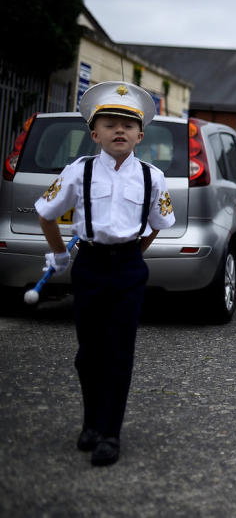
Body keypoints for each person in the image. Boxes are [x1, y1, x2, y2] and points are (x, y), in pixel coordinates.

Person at [35, 81, 176, 466]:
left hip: (128, 268)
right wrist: (60, 255)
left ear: (140, 135)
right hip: (90, 266)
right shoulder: (77, 171)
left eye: (127, 125)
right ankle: (91, 422)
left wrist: (133, 251)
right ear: (94, 133)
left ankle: (110, 433)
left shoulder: (151, 177)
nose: (119, 130)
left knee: (119, 353)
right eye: (110, 123)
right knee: (88, 353)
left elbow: (159, 222)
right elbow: (45, 213)